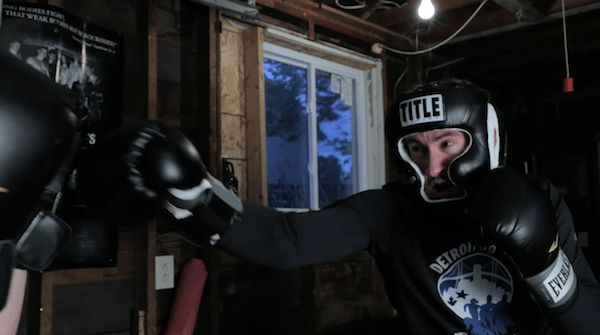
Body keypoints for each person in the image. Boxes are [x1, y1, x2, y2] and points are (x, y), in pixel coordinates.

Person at [73, 80, 600, 335]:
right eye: (417, 149)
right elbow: (285, 240)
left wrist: (544, 263)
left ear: (482, 141)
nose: (433, 166)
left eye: (448, 144)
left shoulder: (538, 201)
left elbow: (590, 323)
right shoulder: (387, 212)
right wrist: (195, 194)